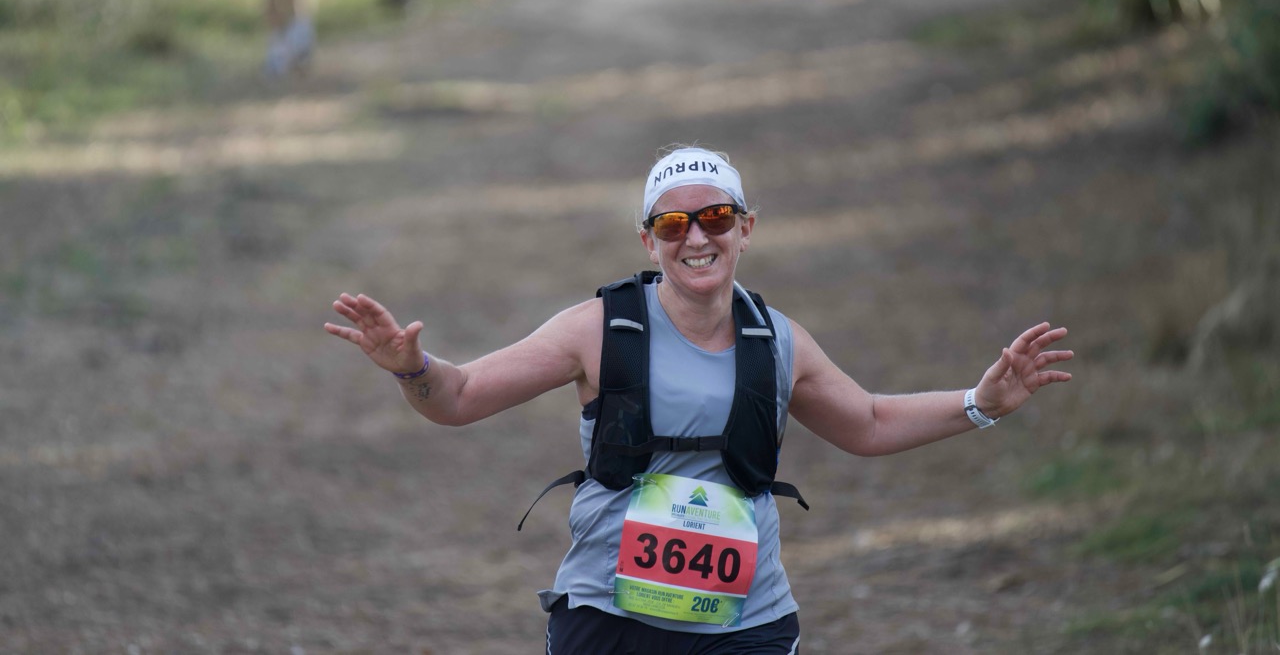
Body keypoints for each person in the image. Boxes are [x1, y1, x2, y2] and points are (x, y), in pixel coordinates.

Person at [324, 145, 1075, 654]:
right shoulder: (598, 329)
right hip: (610, 615)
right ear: (648, 241)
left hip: (746, 622)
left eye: (715, 218)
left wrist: (980, 402)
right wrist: (411, 367)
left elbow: (869, 422)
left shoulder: (779, 341)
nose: (695, 238)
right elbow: (458, 397)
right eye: (672, 223)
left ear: (745, 229)